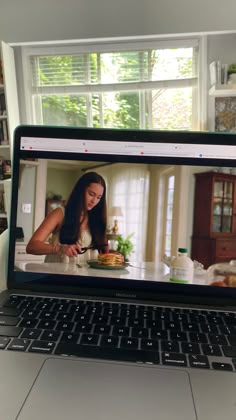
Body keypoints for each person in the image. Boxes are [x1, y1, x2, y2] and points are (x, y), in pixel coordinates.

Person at [26, 171, 109, 263]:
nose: (94, 201)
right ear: (80, 191)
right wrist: (60, 248)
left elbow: (104, 251)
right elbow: (31, 246)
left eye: (99, 197)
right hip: (59, 273)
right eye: (91, 194)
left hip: (86, 275)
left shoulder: (97, 219)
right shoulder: (60, 214)